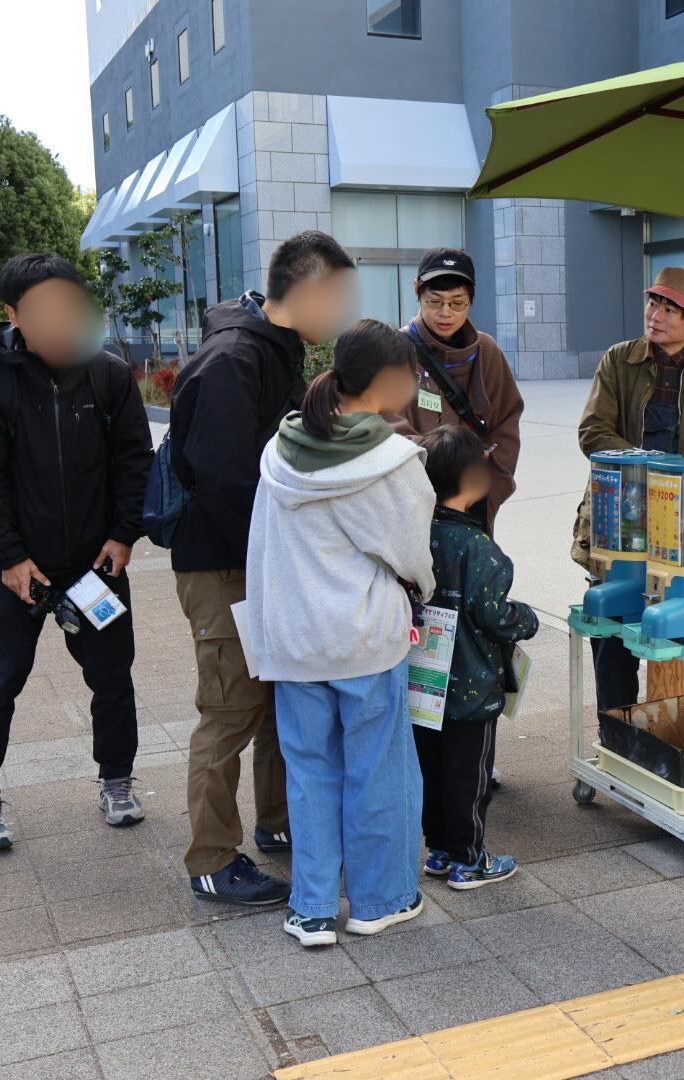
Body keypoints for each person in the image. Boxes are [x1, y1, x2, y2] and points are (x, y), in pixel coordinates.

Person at [169, 230, 358, 906]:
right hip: (225, 566)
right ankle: (213, 859)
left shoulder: (272, 351)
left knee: (281, 703)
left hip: (262, 562)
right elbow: (225, 482)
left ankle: (282, 825)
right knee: (229, 712)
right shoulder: (233, 360)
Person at [244, 319, 435, 947]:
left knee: (308, 770)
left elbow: (263, 548)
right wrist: (422, 592)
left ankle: (314, 907)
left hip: (295, 640)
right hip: (363, 638)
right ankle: (380, 901)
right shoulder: (392, 462)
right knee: (376, 769)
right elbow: (412, 556)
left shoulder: (278, 451)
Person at [0, 253, 153, 848]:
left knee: (113, 678)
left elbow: (134, 463)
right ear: (14, 315)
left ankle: (117, 777)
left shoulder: (110, 375)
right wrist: (9, 558)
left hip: (96, 568)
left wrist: (123, 536)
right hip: (24, 570)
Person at [573, 267, 684, 711]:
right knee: (612, 630)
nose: (657, 315)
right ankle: (614, 734)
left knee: (679, 637)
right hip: (622, 519)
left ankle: (674, 739)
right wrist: (649, 472)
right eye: (654, 303)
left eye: (672, 309)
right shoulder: (618, 360)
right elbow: (593, 432)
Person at [415, 424, 539, 890]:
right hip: (470, 686)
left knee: (431, 768)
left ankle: (440, 850)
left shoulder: (417, 535)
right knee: (471, 773)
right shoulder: (479, 549)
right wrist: (525, 618)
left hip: (424, 681)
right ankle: (471, 858)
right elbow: (494, 615)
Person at [388, 248, 523, 534]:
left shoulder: (487, 352)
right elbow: (386, 424)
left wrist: (488, 490)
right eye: (434, 301)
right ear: (417, 291)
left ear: (471, 300)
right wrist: (441, 465)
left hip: (473, 504)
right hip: (414, 505)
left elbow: (506, 424)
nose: (445, 313)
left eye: (457, 303)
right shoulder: (395, 351)